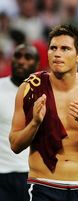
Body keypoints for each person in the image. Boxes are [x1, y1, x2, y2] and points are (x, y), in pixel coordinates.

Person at [9, 24, 78, 201]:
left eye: (65, 49)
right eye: (53, 48)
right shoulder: (30, 88)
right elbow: (15, 145)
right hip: (43, 185)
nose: (57, 53)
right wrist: (34, 123)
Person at [0, 43, 39, 201]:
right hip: (1, 173)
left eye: (28, 57)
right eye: (17, 56)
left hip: (32, 174)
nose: (21, 61)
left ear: (37, 64)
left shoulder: (45, 93)